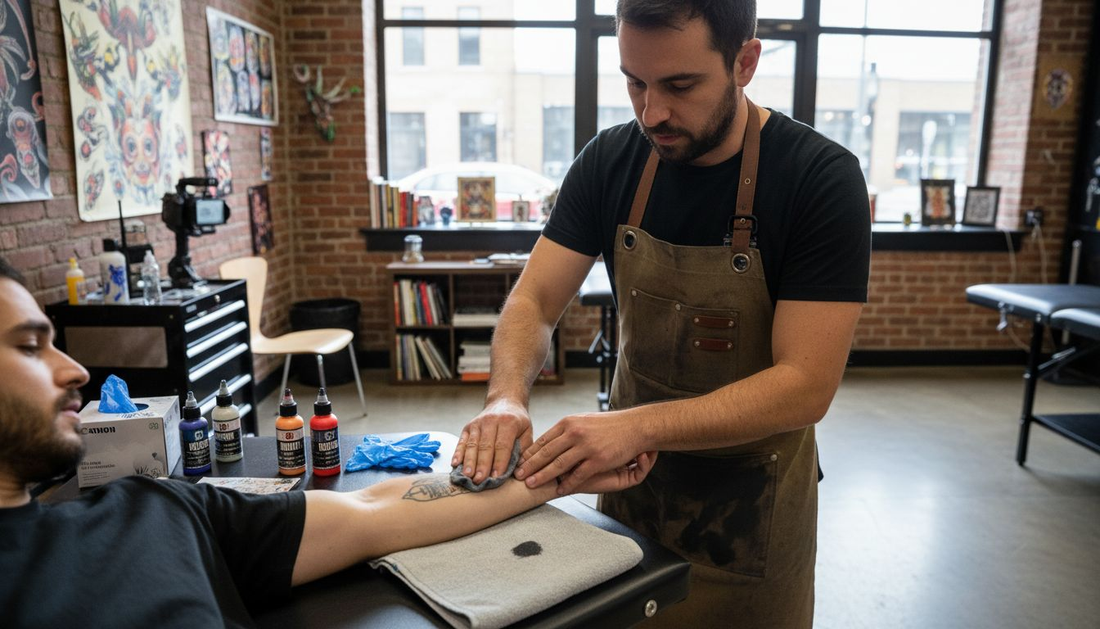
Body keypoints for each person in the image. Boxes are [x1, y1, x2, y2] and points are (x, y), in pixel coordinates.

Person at [452, 0, 870, 626]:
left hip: (752, 510)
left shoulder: (819, 179)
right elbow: (534, 301)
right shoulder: (610, 161)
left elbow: (805, 386)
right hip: (628, 491)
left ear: (745, 62)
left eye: (679, 85)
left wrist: (638, 426)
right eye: (635, 82)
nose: (652, 113)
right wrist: (506, 397)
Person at [0, 257, 655, 627]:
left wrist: (562, 472)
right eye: (30, 345)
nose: (75, 369)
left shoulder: (157, 509)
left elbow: (379, 512)